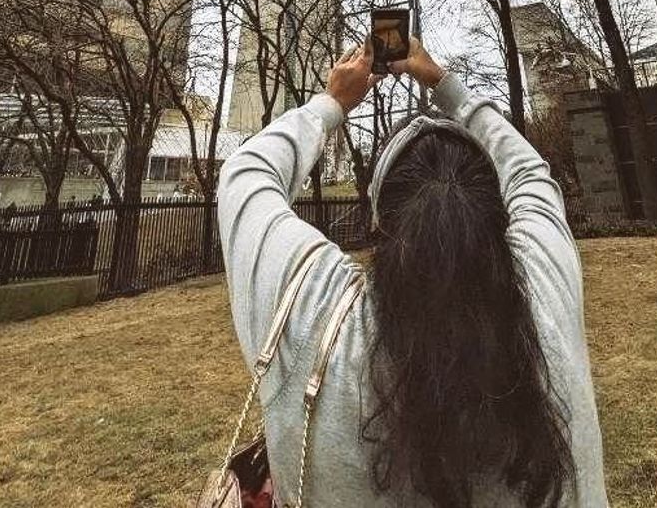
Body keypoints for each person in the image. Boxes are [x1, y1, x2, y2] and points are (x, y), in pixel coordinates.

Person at [217, 39, 609, 507]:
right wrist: (442, 84)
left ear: (379, 223)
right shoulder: (545, 288)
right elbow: (528, 170)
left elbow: (246, 173)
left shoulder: (311, 308)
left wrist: (334, 101)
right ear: (497, 214)